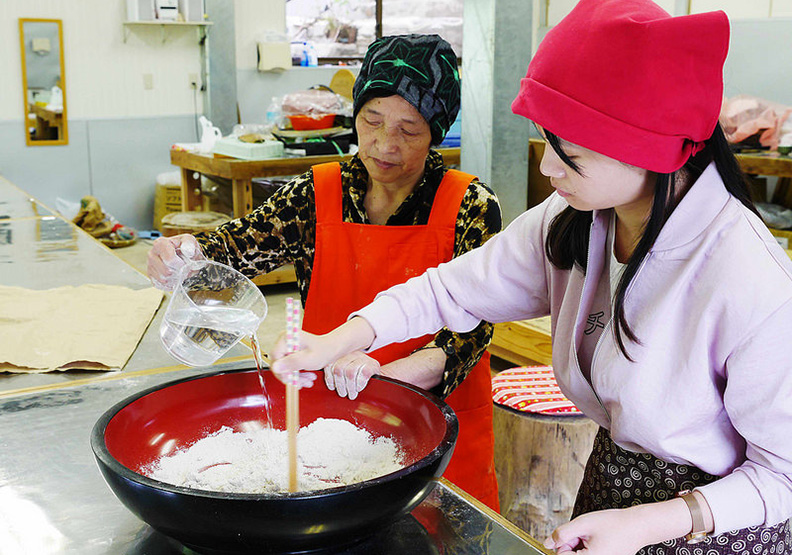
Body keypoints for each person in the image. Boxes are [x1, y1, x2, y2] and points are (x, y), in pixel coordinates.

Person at [269, 1, 792, 553]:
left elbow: (784, 476)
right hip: (615, 482)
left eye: (569, 152)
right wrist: (338, 340)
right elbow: (450, 288)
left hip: (720, 521)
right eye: (547, 140)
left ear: (651, 149)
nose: (546, 167)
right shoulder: (574, 220)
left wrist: (652, 523)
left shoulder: (747, 276)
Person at [147, 34, 502, 510]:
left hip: (436, 426)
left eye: (409, 129)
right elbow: (231, 249)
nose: (384, 144)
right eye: (371, 121)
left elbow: (472, 333)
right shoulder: (316, 193)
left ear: (436, 131)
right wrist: (183, 253)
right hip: (327, 426)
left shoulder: (470, 206)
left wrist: (385, 377)